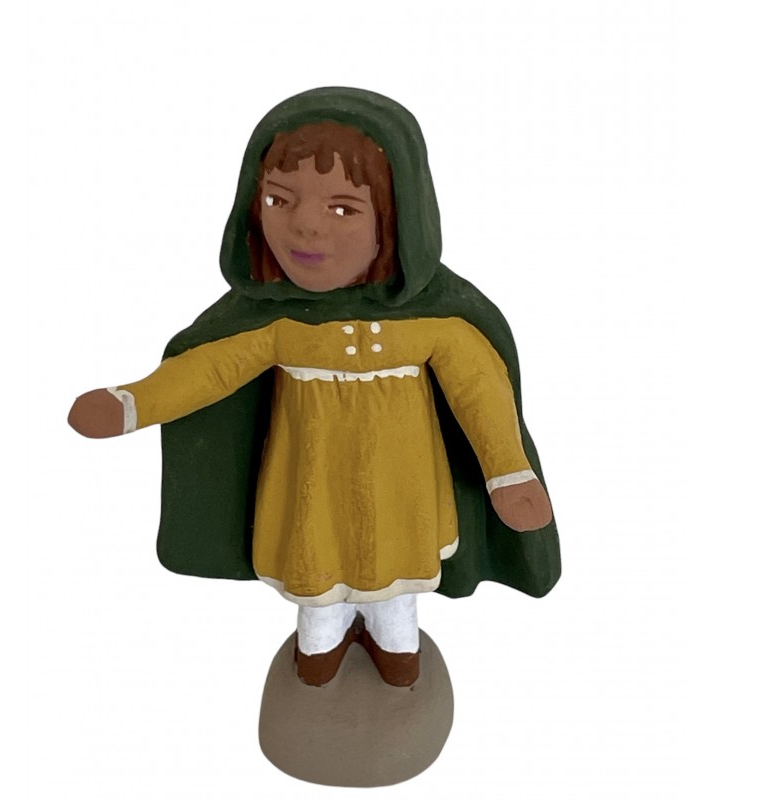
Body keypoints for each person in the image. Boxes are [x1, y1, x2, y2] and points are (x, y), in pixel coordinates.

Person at [68, 87, 561, 688]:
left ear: (399, 218)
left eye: (343, 209)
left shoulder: (437, 324)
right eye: (279, 199)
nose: (304, 224)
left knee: (396, 587)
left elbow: (480, 393)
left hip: (401, 492)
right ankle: (321, 648)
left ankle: (396, 648)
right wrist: (132, 404)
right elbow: (210, 369)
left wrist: (508, 474)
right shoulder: (279, 325)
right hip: (311, 488)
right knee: (317, 577)